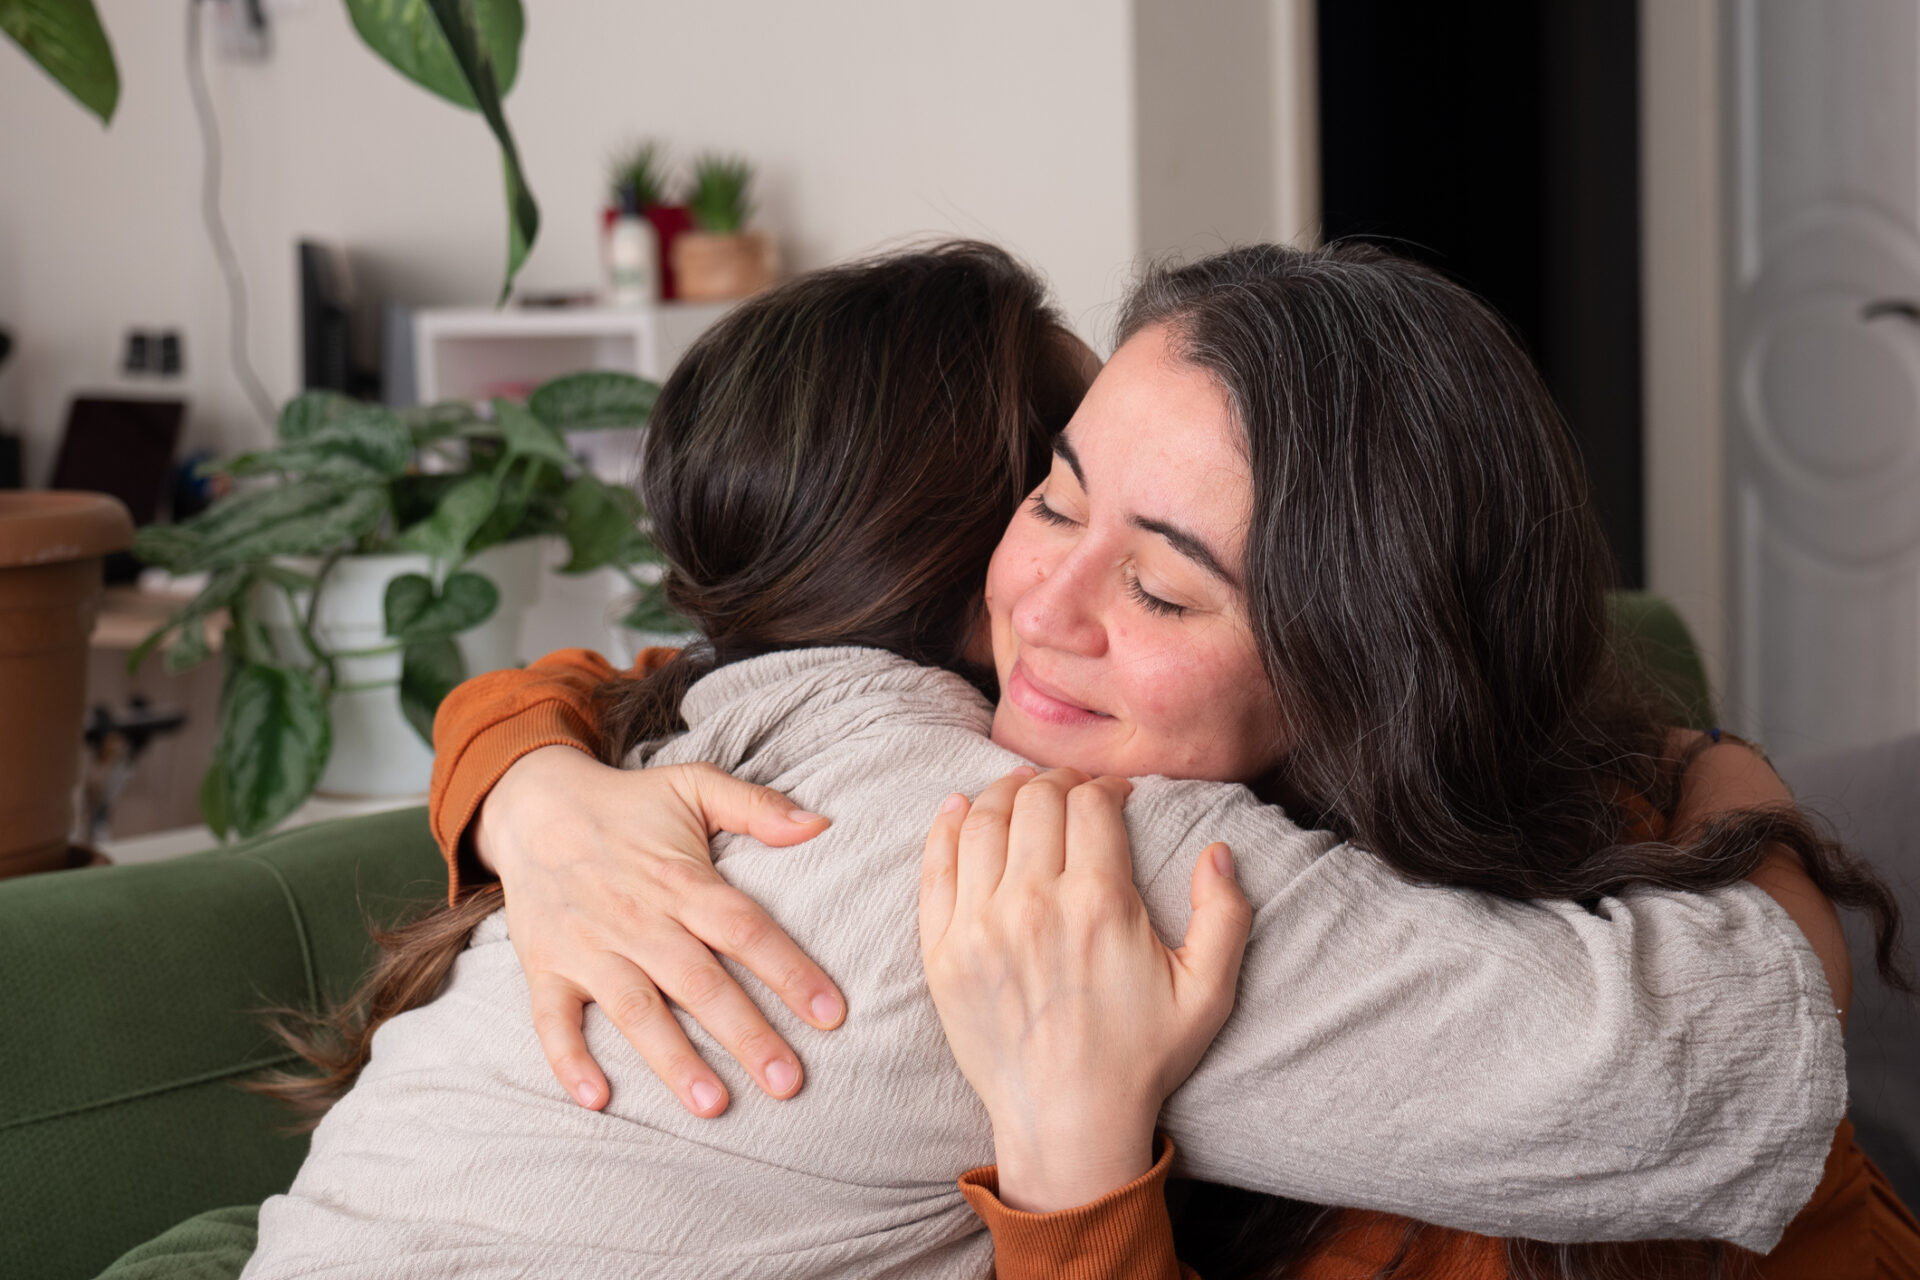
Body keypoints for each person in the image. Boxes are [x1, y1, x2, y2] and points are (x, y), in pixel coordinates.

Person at [249, 244, 1894, 1279]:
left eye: (1161, 583)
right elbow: (1726, 1039)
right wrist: (1723, 762)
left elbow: (591, 680)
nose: (1042, 603)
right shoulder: (1066, 853)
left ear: (1368, 668)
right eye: (1050, 498)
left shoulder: (760, 717)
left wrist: (526, 778)